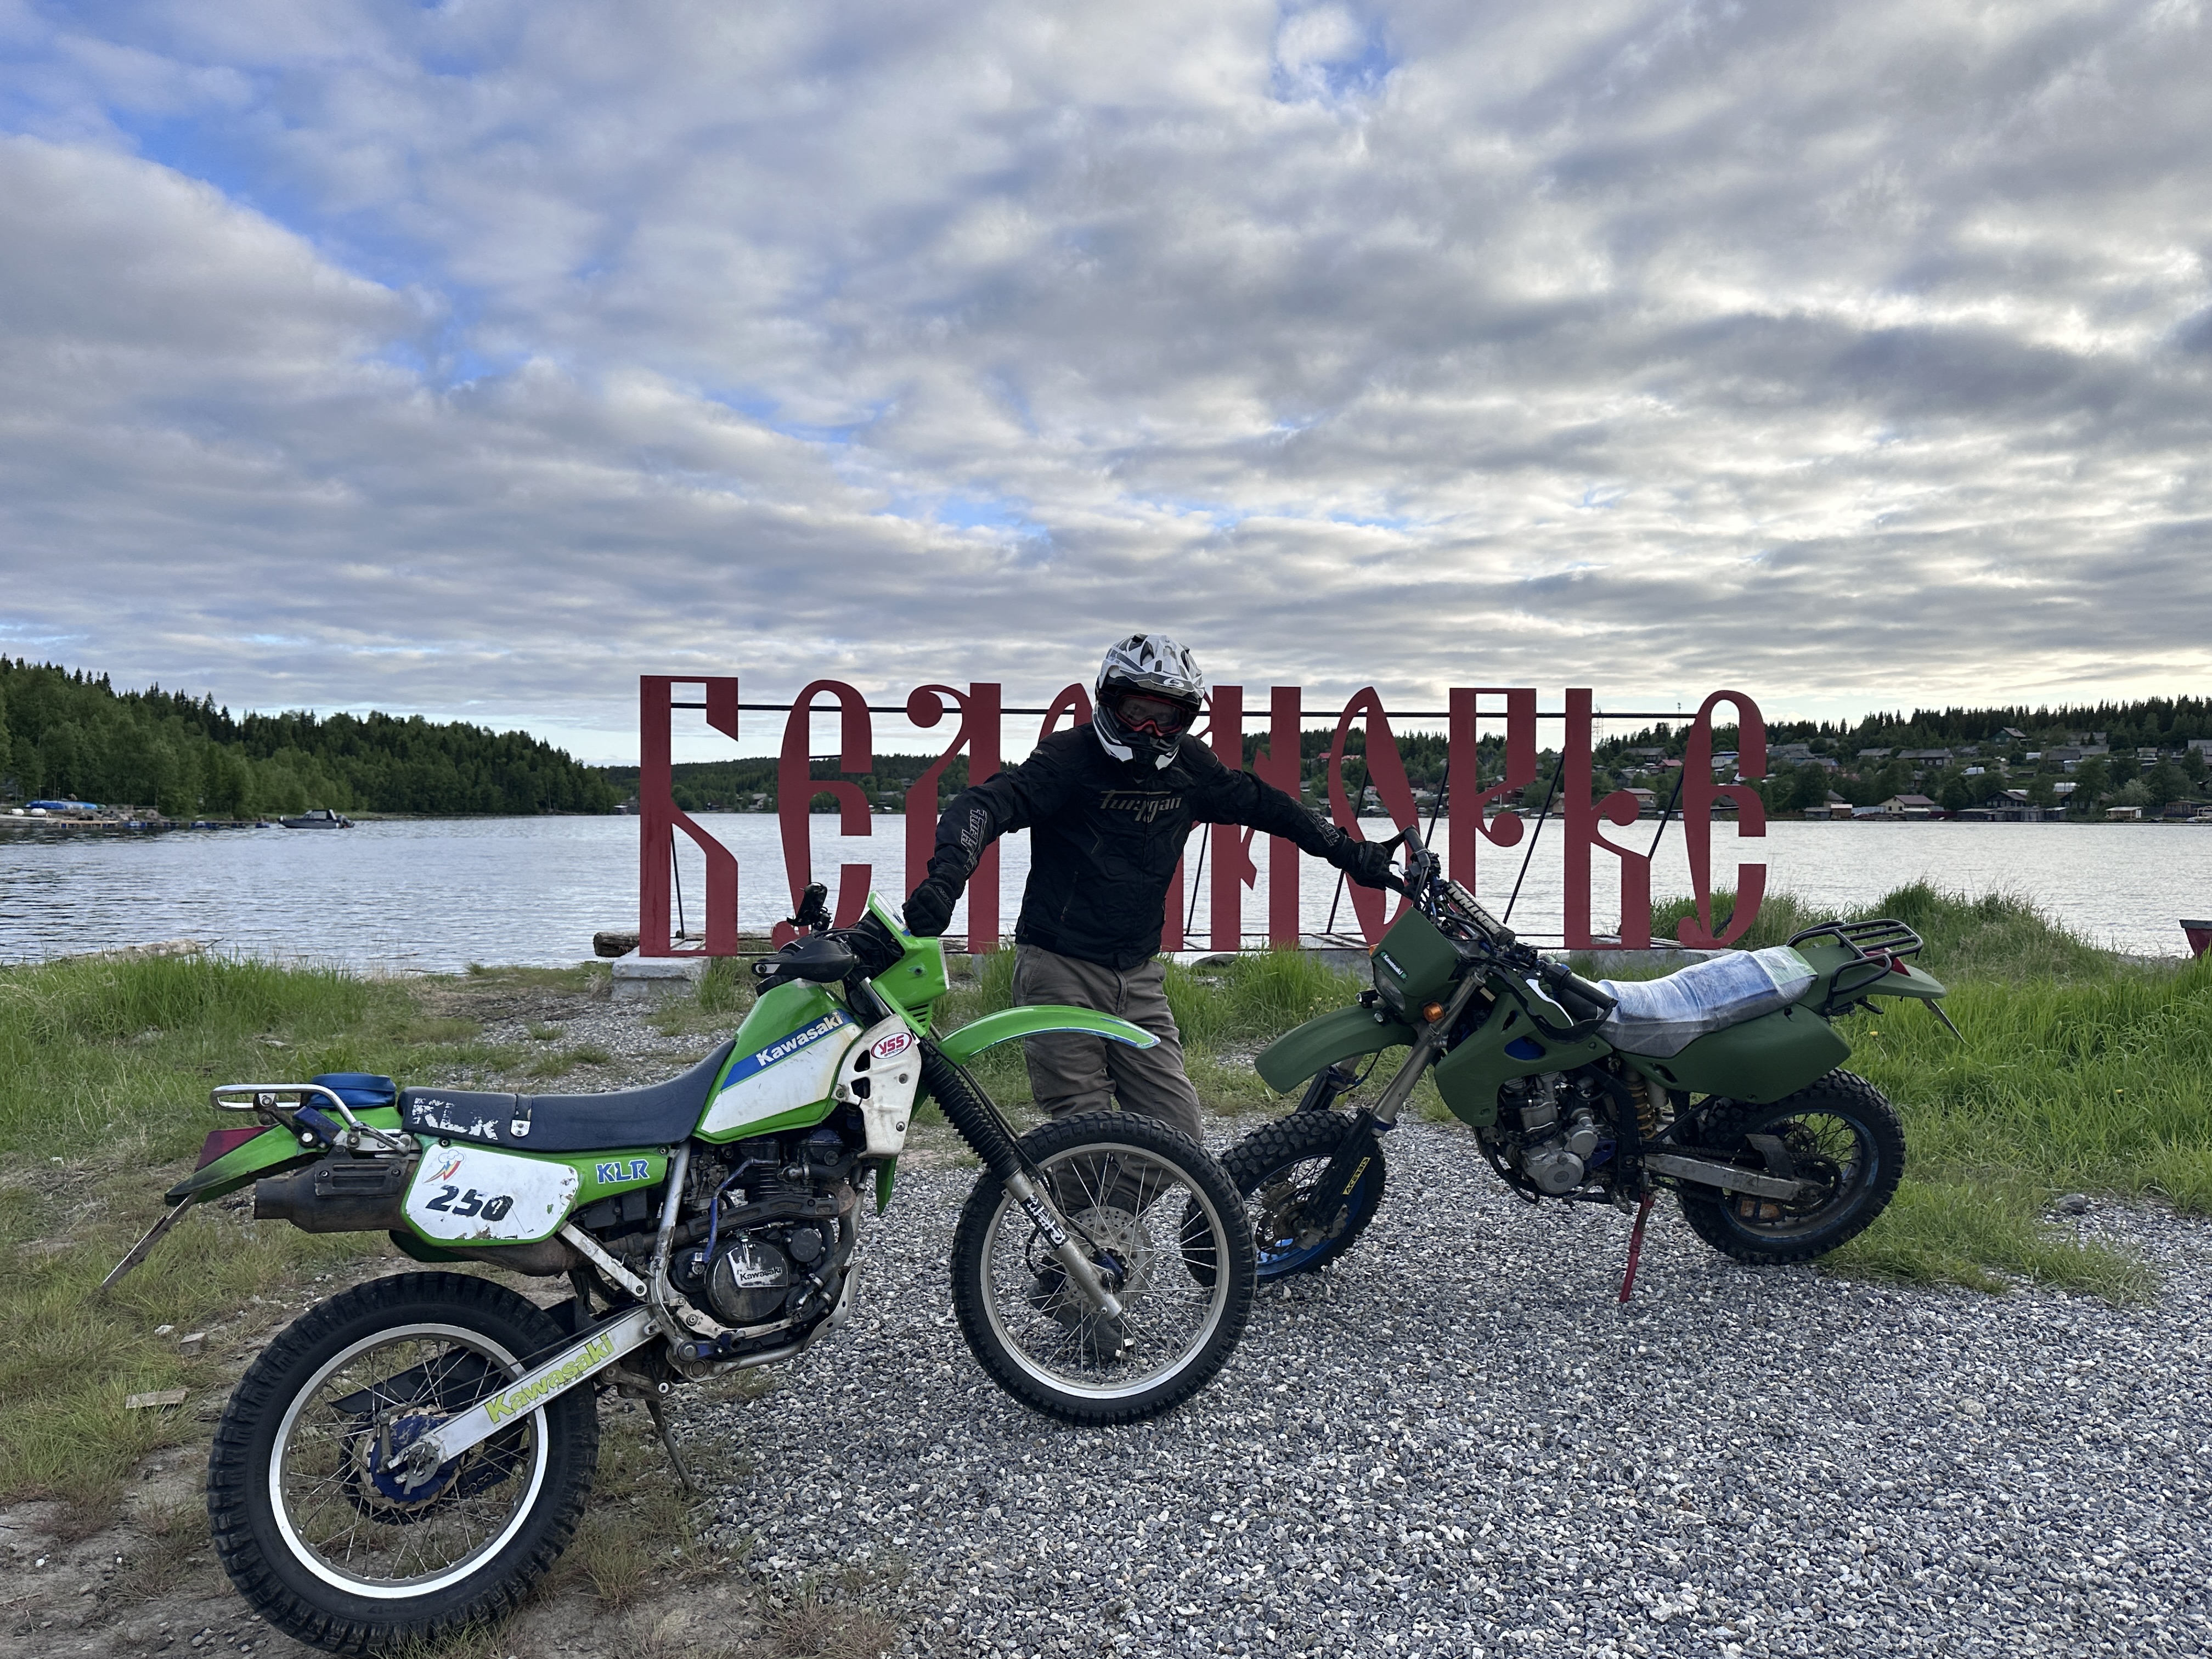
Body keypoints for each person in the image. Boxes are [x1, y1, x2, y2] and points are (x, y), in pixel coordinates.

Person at [897, 634, 1397, 1144]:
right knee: (1084, 1133)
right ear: (1108, 699)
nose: (1149, 729)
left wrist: (1351, 853)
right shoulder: (1069, 758)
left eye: (1166, 717)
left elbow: (1271, 807)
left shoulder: (1190, 767)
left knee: (1178, 1135)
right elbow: (984, 805)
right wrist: (947, 878)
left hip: (1139, 977)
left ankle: (1087, 1197)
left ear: (1186, 719)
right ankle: (1067, 1195)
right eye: (1136, 711)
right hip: (1060, 969)